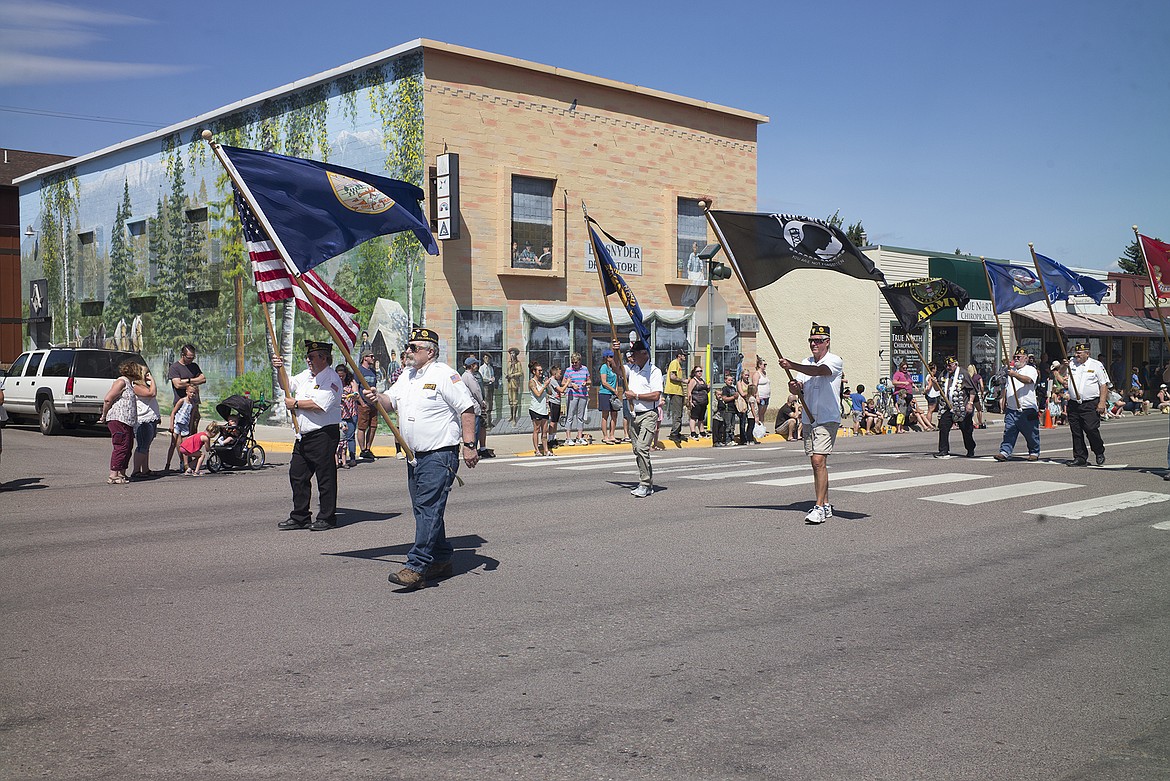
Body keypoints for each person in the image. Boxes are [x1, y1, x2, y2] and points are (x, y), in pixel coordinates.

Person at [363, 327, 478, 589]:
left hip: (439, 454)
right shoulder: (407, 375)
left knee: (427, 508)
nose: (408, 351)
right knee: (424, 510)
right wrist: (375, 398)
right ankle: (441, 558)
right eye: (408, 346)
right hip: (415, 456)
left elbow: (467, 408)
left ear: (430, 351)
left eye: (414, 348)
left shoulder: (445, 375)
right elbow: (389, 401)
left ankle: (416, 565)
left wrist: (469, 445)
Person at [272, 340, 342, 531]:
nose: (308, 360)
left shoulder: (332, 379)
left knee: (325, 477)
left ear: (324, 358)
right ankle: (300, 516)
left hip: (323, 435)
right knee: (297, 474)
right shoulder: (307, 376)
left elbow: (321, 405)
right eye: (307, 357)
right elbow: (286, 384)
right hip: (303, 435)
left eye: (311, 357)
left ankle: (327, 517)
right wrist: (280, 369)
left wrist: (295, 404)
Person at [778, 323, 843, 524]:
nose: (814, 344)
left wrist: (792, 365)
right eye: (811, 341)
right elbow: (800, 388)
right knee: (818, 464)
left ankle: (819, 507)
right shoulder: (806, 362)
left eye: (818, 341)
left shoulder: (834, 361)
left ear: (827, 342)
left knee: (817, 460)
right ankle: (826, 504)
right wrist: (795, 386)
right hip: (808, 418)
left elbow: (819, 371)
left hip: (827, 417)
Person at [615, 338, 662, 497]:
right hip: (634, 414)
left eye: (634, 353)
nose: (632, 356)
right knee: (637, 450)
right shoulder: (632, 368)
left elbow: (656, 395)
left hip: (648, 414)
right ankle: (647, 483)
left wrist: (635, 395)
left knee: (642, 448)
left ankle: (645, 483)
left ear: (644, 353)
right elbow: (618, 370)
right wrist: (616, 351)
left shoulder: (654, 371)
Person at [1065, 341, 1110, 467]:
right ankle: (1080, 457)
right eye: (1076, 353)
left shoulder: (1096, 365)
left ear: (1087, 353)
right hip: (1074, 403)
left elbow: (1103, 385)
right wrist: (1064, 366)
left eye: (1079, 353)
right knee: (1076, 431)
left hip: (1090, 403)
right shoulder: (1071, 363)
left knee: (1091, 429)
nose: (1076, 355)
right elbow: (1062, 377)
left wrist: (1102, 402)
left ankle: (1099, 451)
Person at [97, 359, 139, 485]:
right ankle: (113, 474)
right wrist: (104, 415)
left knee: (128, 446)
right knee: (121, 446)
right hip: (118, 419)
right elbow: (108, 399)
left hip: (127, 421)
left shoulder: (130, 384)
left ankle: (122, 472)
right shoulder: (121, 382)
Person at [995, 347, 1041, 462]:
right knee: (1009, 431)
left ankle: (1034, 451)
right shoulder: (1010, 370)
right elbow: (1006, 387)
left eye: (1019, 357)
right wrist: (1003, 399)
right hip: (1012, 408)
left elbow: (1028, 380)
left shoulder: (1030, 369)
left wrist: (1014, 375)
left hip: (1027, 408)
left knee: (1031, 433)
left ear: (1025, 358)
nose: (1016, 359)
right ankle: (1004, 452)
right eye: (1015, 357)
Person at [935, 356, 977, 458]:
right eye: (947, 365)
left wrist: (970, 403)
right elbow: (937, 389)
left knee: (966, 430)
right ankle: (943, 450)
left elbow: (972, 390)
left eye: (950, 365)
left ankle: (970, 449)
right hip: (947, 407)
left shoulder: (963, 374)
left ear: (956, 364)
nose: (948, 367)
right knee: (943, 427)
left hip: (961, 407)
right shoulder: (944, 374)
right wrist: (934, 382)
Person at [167, 344, 205, 434]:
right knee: (180, 431)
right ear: (182, 355)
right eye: (189, 357)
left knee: (193, 427)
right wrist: (194, 382)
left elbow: (203, 379)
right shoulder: (175, 368)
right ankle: (181, 447)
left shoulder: (194, 366)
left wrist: (187, 380)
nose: (191, 360)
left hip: (194, 403)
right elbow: (178, 384)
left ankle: (191, 447)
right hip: (181, 403)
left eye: (193, 357)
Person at [461, 356, 492, 458]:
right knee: (475, 430)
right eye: (475, 364)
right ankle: (473, 450)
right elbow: (476, 391)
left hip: (471, 406)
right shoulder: (469, 377)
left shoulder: (466, 376)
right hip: (474, 406)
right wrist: (482, 402)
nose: (477, 366)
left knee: (475, 429)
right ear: (471, 365)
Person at [166, 384, 197, 472]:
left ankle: (186, 464)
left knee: (185, 446)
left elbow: (191, 417)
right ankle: (168, 464)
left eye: (194, 393)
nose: (192, 394)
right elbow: (173, 413)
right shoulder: (181, 401)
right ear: (187, 392)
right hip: (177, 424)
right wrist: (171, 425)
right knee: (173, 444)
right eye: (191, 392)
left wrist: (190, 428)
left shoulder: (193, 405)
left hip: (185, 426)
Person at [356, 352, 380, 460]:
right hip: (363, 404)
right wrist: (362, 403)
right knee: (362, 427)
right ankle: (362, 450)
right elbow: (356, 389)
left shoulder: (373, 371)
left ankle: (368, 448)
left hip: (373, 404)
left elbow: (374, 387)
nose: (373, 358)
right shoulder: (359, 371)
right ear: (365, 358)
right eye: (371, 356)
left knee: (373, 426)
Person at [562, 352, 590, 445]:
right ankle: (568, 437)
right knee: (570, 416)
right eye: (572, 362)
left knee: (580, 417)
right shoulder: (568, 370)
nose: (574, 364)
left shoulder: (585, 369)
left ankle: (579, 436)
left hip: (583, 394)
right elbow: (563, 383)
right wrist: (571, 385)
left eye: (575, 362)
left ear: (579, 361)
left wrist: (586, 382)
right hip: (572, 395)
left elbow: (589, 380)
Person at [335, 364, 359, 468]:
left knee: (350, 436)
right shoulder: (334, 383)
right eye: (339, 375)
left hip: (351, 412)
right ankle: (338, 459)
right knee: (338, 437)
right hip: (338, 413)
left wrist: (354, 396)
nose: (341, 378)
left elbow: (356, 393)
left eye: (342, 376)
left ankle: (352, 458)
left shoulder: (351, 382)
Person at [528, 361, 552, 456]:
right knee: (536, 429)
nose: (541, 372)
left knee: (545, 431)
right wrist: (544, 386)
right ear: (534, 371)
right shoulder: (532, 382)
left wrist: (547, 385)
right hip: (535, 409)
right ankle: (537, 450)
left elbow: (549, 392)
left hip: (544, 409)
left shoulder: (541, 382)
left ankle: (546, 450)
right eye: (539, 371)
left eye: (542, 370)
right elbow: (537, 394)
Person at [664, 348, 688, 444]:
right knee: (677, 414)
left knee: (679, 414)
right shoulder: (674, 363)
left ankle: (677, 432)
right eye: (684, 355)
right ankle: (674, 434)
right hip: (675, 392)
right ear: (679, 355)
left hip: (679, 392)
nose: (685, 357)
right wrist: (683, 380)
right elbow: (672, 376)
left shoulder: (679, 364)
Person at [598, 349, 620, 445]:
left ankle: (612, 434)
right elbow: (604, 382)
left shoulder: (614, 368)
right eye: (610, 357)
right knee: (605, 415)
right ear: (606, 358)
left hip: (613, 394)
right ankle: (605, 436)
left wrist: (616, 390)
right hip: (605, 393)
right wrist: (613, 389)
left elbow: (617, 378)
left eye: (613, 357)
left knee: (614, 414)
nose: (612, 359)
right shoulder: (604, 367)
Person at [715, 370, 738, 447]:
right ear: (725, 381)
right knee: (728, 425)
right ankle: (727, 440)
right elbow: (724, 398)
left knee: (732, 425)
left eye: (731, 380)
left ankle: (732, 439)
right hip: (727, 409)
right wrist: (733, 397)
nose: (730, 381)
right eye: (729, 380)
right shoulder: (725, 389)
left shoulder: (733, 388)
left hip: (733, 409)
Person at [686, 366, 709, 439]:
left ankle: (702, 431)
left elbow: (706, 391)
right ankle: (693, 432)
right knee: (694, 417)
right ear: (694, 372)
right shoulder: (693, 381)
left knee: (701, 418)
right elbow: (689, 392)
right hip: (696, 402)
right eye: (698, 371)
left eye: (701, 371)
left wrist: (708, 388)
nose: (699, 372)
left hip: (703, 402)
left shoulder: (702, 380)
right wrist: (690, 401)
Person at [547, 363, 565, 447]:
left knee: (556, 421)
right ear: (554, 373)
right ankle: (550, 439)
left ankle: (554, 437)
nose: (560, 375)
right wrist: (567, 382)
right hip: (553, 402)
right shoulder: (553, 380)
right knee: (553, 421)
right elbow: (560, 389)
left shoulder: (555, 381)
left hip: (557, 401)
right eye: (559, 373)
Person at [505, 347, 524, 423]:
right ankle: (511, 416)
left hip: (515, 383)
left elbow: (520, 373)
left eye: (513, 353)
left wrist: (513, 375)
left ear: (516, 354)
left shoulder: (518, 363)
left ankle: (514, 418)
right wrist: (508, 376)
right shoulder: (509, 363)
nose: (512, 355)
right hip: (509, 384)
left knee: (515, 401)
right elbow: (508, 372)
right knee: (510, 400)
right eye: (511, 353)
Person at [479, 352, 497, 426]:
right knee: (486, 404)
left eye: (488, 358)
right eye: (486, 358)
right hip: (485, 386)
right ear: (483, 359)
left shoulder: (490, 367)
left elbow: (492, 375)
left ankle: (489, 421)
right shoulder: (482, 368)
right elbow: (482, 378)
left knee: (490, 403)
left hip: (490, 386)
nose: (487, 360)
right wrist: (489, 379)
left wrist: (493, 379)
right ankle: (486, 423)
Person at [923, 363, 941, 430]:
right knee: (930, 411)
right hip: (932, 395)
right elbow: (929, 386)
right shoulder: (930, 377)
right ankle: (929, 424)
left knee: (930, 410)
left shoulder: (928, 376)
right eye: (935, 369)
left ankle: (928, 424)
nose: (936, 370)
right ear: (933, 369)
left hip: (930, 395)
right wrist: (925, 392)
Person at [753, 357, 771, 424]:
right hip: (761, 396)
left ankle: (762, 426)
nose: (765, 366)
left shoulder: (764, 373)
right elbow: (755, 386)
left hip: (766, 396)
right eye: (764, 364)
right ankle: (758, 427)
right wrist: (757, 396)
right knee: (759, 413)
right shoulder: (757, 374)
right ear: (759, 365)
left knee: (763, 413)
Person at [968, 363, 987, 429]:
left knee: (969, 409)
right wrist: (982, 393)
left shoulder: (967, 376)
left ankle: (971, 422)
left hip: (968, 394)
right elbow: (982, 386)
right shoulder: (977, 376)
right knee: (979, 409)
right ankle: (980, 422)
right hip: (975, 394)